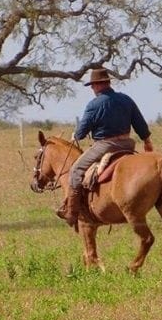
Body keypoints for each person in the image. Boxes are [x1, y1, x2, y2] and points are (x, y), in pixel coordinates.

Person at [58, 68, 154, 227]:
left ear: (97, 85)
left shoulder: (94, 104)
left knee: (75, 170)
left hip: (105, 146)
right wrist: (147, 141)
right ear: (108, 83)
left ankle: (72, 212)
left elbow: (82, 132)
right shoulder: (126, 99)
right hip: (128, 144)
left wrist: (76, 135)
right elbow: (139, 123)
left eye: (92, 85)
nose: (91, 88)